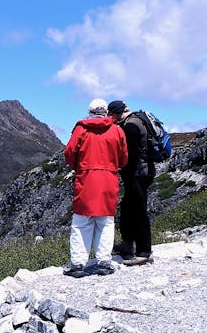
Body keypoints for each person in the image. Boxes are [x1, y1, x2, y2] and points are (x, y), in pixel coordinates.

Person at [63, 99, 128, 277]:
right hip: (108, 179)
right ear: (105, 112)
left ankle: (78, 264)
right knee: (105, 222)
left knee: (81, 223)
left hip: (86, 179)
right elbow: (123, 157)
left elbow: (69, 153)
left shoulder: (81, 128)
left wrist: (78, 166)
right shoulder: (116, 130)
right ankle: (104, 262)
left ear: (90, 112)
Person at [107, 100, 155, 266]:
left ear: (117, 114)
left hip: (137, 173)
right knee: (128, 207)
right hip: (143, 172)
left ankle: (143, 252)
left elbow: (130, 155)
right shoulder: (138, 119)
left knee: (139, 211)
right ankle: (127, 244)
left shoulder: (131, 127)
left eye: (112, 116)